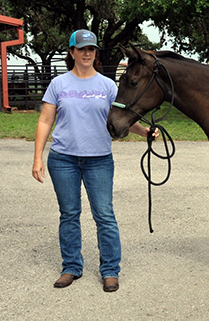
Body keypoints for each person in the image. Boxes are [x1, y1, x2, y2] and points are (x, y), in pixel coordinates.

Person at [32, 29, 158, 292]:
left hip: (99, 159)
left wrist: (144, 131)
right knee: (69, 215)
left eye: (91, 49)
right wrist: (37, 158)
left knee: (104, 215)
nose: (87, 53)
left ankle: (110, 270)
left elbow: (120, 119)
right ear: (72, 52)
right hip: (63, 159)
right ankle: (71, 267)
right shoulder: (59, 84)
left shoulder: (107, 86)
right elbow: (45, 121)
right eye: (82, 49)